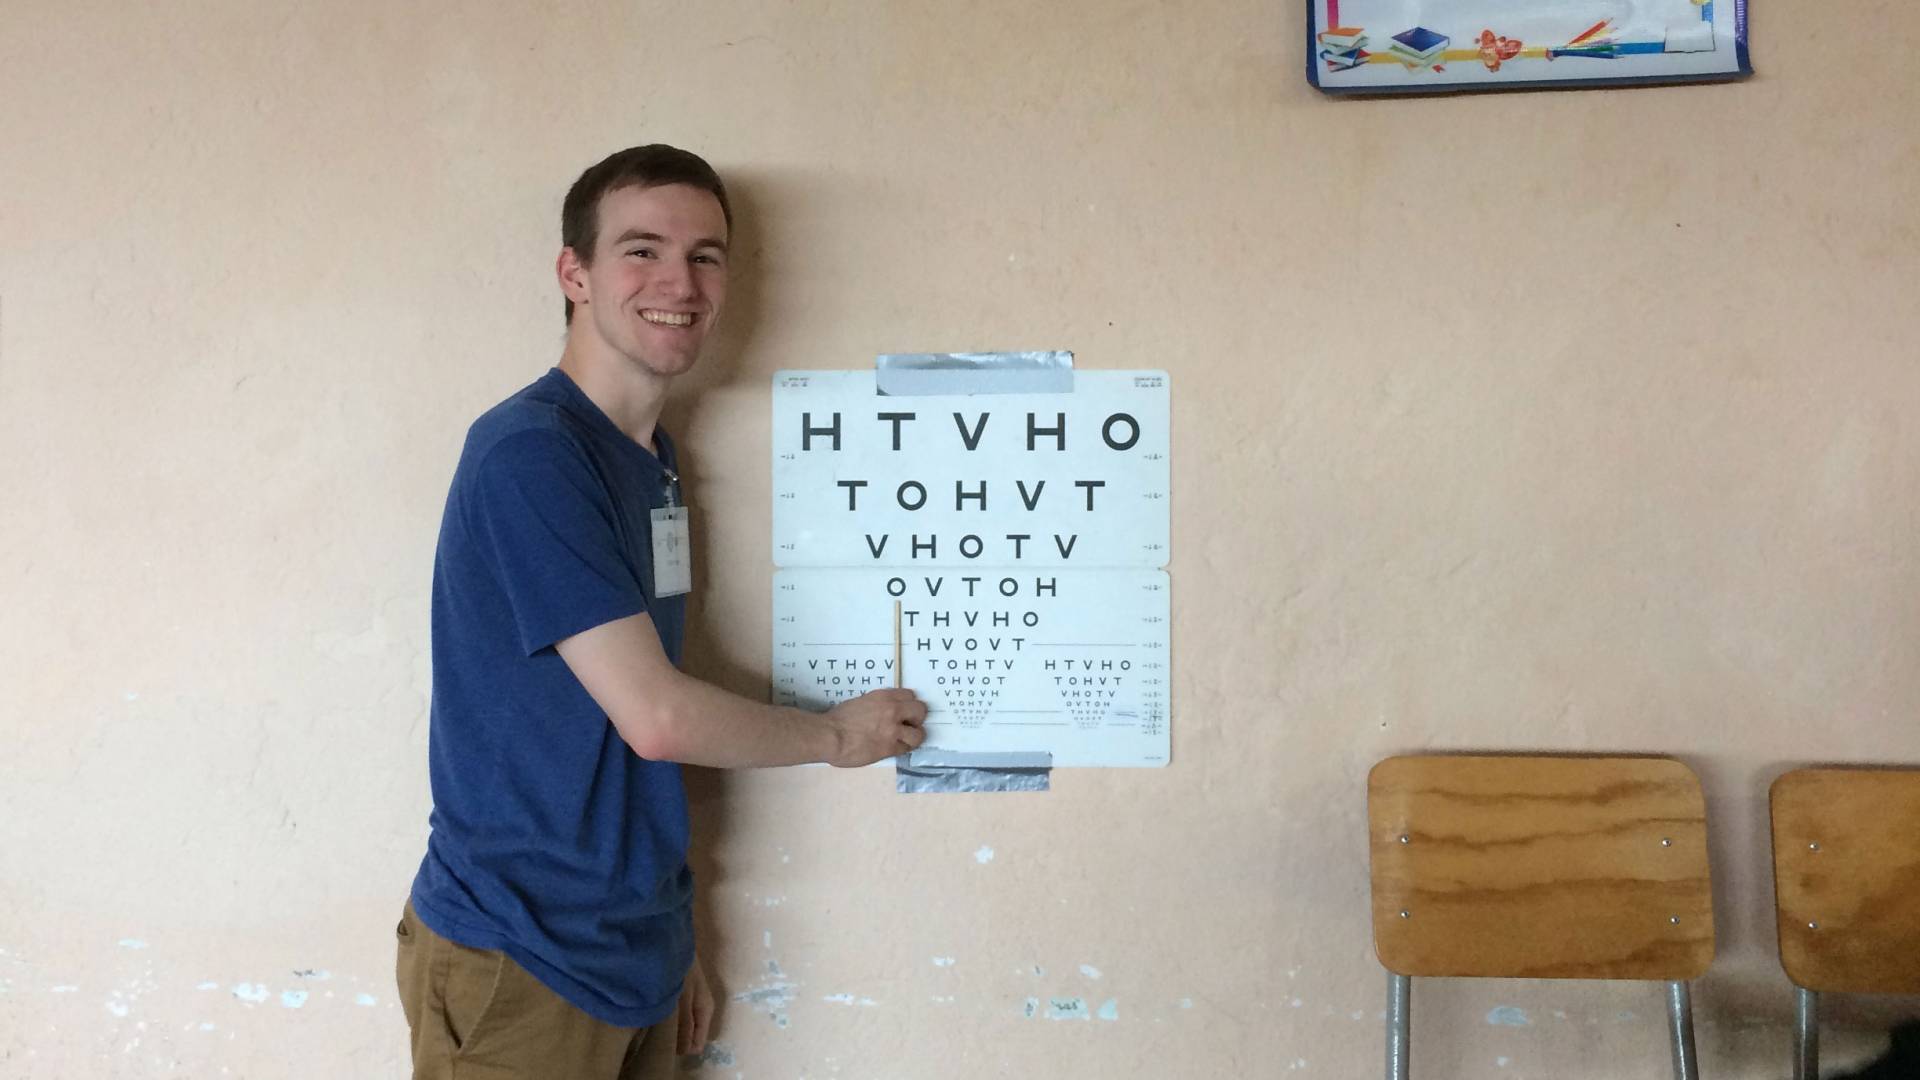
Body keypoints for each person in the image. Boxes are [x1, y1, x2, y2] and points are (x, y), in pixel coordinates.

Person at [396, 144, 928, 1080]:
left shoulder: (655, 461)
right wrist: (838, 737)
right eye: (641, 250)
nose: (678, 281)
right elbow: (657, 718)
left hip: (629, 954)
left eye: (706, 255)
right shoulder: (531, 456)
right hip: (521, 958)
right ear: (575, 273)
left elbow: (622, 736)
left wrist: (668, 939)